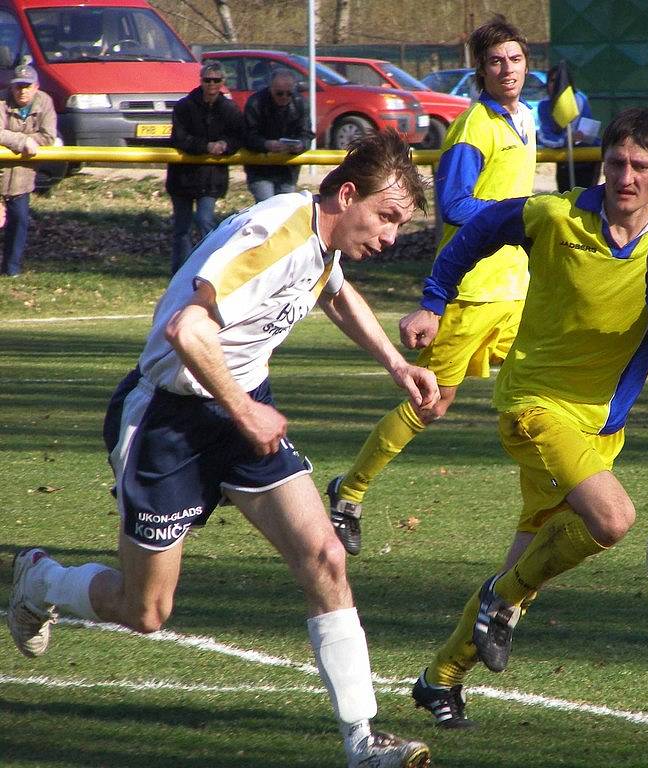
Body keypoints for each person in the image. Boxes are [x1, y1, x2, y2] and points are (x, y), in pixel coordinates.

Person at [7, 130, 438, 768]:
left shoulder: (320, 240)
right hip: (167, 423)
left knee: (325, 556)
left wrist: (397, 367)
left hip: (240, 412)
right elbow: (188, 330)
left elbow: (334, 290)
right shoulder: (276, 236)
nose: (392, 235)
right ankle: (40, 579)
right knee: (146, 609)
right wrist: (245, 410)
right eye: (388, 217)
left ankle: (363, 743)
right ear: (347, 195)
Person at [405, 107, 648, 728]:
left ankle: (441, 678)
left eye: (640, 167)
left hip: (599, 425)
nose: (624, 177)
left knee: (526, 563)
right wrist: (433, 300)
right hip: (533, 404)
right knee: (612, 519)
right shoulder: (556, 213)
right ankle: (501, 598)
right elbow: (474, 231)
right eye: (616, 162)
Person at [326, 15, 537, 556]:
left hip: (516, 291)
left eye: (514, 59)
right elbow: (455, 205)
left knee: (538, 392)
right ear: (480, 70)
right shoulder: (474, 128)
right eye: (495, 61)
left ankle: (555, 501)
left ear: (526, 63)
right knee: (431, 404)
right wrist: (520, 214)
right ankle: (348, 493)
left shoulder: (527, 119)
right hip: (471, 290)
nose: (506, 69)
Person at [166, 60, 243, 275]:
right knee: (181, 228)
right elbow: (179, 139)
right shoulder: (184, 106)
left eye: (216, 81)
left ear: (222, 83)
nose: (211, 85)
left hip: (210, 178)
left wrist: (225, 145)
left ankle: (208, 271)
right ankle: (180, 274)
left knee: (205, 221)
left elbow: (239, 136)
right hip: (182, 177)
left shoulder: (229, 109)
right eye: (207, 80)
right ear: (201, 81)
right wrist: (206, 146)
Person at [0, 64, 56, 277]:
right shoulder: (1, 101)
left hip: (22, 178)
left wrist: (13, 140)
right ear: (11, 88)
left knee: (19, 221)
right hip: (0, 173)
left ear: (36, 86)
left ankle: (11, 270)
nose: (22, 91)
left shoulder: (45, 102)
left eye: (27, 86)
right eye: (18, 86)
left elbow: (48, 137)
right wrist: (22, 141)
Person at [243, 67, 314, 203]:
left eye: (289, 93)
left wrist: (300, 145)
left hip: (288, 169)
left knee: (284, 210)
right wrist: (266, 144)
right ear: (270, 88)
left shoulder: (300, 103)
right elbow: (247, 136)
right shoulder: (255, 103)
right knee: (266, 208)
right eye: (279, 93)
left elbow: (307, 134)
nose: (284, 97)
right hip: (260, 168)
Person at [536, 64, 601, 192]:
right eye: (553, 81)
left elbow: (588, 132)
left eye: (560, 81)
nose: (556, 85)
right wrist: (566, 140)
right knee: (566, 197)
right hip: (564, 159)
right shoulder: (543, 105)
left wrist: (579, 138)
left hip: (588, 160)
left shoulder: (580, 100)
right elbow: (546, 136)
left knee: (586, 197)